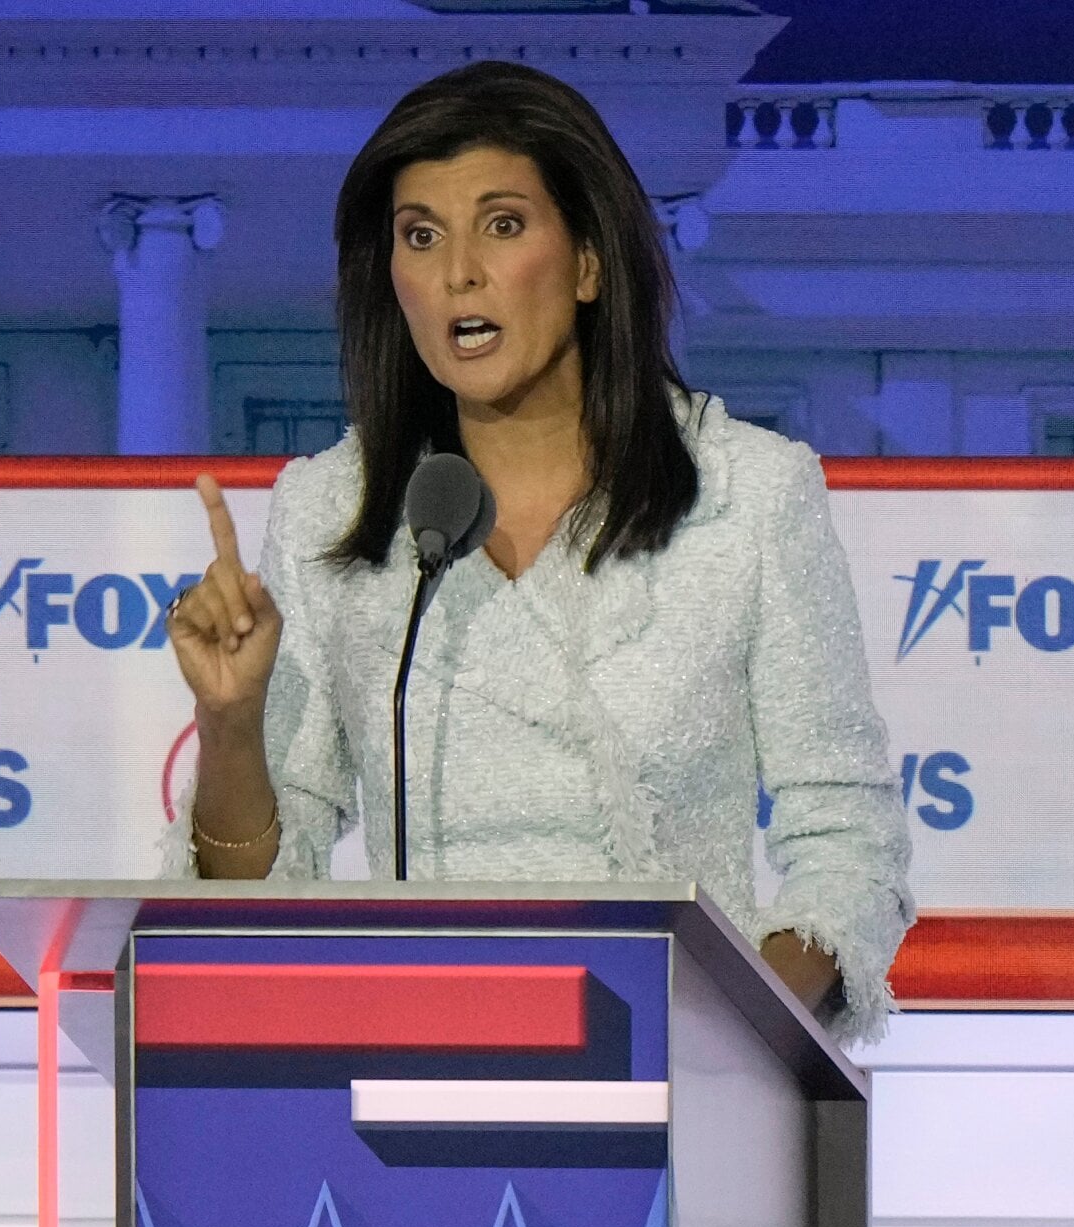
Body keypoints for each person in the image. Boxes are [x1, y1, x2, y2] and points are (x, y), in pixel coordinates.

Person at [158, 60, 914, 1045]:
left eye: (503, 225)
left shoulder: (749, 494)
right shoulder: (330, 513)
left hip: (674, 1085)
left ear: (590, 262)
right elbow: (260, 891)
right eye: (420, 236)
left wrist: (722, 1046)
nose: (459, 271)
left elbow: (847, 852)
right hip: (409, 1080)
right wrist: (228, 718)